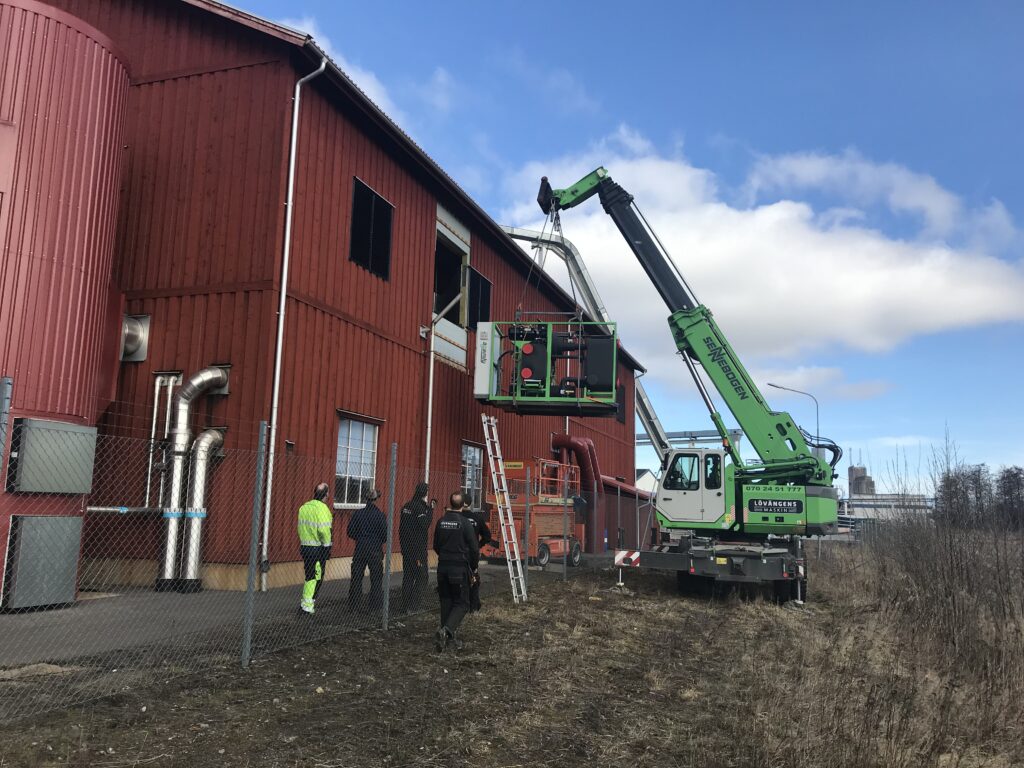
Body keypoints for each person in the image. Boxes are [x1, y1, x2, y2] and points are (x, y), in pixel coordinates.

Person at [432, 492, 479, 651]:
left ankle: (445, 639)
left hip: (442, 567)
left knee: (446, 601)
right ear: (463, 505)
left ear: (450, 503)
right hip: (459, 569)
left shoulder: (441, 522)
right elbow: (474, 548)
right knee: (462, 603)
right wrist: (473, 567)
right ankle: (446, 630)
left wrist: (445, 556)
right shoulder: (465, 523)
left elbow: (436, 545)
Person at [346, 488, 387, 611]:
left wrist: (360, 538)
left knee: (356, 578)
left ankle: (354, 605)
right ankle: (375, 606)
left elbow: (350, 531)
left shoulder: (358, 514)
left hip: (360, 548)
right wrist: (376, 540)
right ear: (376, 499)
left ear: (366, 499)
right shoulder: (380, 515)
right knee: (376, 579)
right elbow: (385, 535)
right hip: (374, 549)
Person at [297, 483, 333, 615]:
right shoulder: (322, 509)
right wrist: (327, 546)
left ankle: (306, 603)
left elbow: (300, 528)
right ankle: (308, 605)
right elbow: (324, 531)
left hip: (305, 546)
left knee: (310, 576)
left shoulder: (304, 507)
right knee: (316, 577)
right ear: (326, 494)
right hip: (318, 549)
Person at [399, 481, 433, 613]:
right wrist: (431, 510)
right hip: (418, 549)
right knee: (422, 577)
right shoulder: (419, 508)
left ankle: (405, 605)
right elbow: (425, 524)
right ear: (425, 493)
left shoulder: (406, 506)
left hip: (406, 548)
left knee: (408, 577)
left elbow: (402, 528)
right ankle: (413, 606)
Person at [460, 497, 496, 613]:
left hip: (457, 552)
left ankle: (460, 606)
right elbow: (487, 536)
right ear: (470, 504)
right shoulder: (477, 518)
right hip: (472, 554)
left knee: (458, 579)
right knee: (473, 578)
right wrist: (478, 545)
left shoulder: (456, 517)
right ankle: (474, 606)